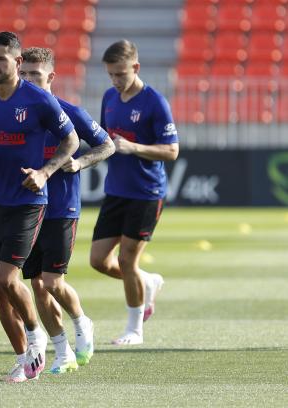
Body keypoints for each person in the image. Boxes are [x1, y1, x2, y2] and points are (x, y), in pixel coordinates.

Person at [0, 32, 80, 381]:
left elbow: (71, 139)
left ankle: (36, 341)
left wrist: (46, 171)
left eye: (0, 59)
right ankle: (23, 359)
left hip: (28, 201)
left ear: (17, 62)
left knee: (7, 277)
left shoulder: (37, 100)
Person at [18, 47, 115, 373]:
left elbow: (108, 144)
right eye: (25, 74)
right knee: (37, 287)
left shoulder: (70, 113)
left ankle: (81, 322)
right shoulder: (18, 114)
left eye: (36, 75)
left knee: (52, 282)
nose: (29, 80)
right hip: (28, 209)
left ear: (51, 77)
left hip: (61, 208)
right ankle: (62, 352)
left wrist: (81, 162)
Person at [90, 39, 179, 345]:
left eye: (120, 74)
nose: (115, 80)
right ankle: (148, 281)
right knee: (99, 261)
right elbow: (105, 140)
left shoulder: (154, 102)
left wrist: (134, 147)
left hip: (146, 191)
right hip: (116, 190)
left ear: (135, 68)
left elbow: (171, 150)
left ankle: (134, 329)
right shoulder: (109, 98)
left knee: (127, 261)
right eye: (111, 75)